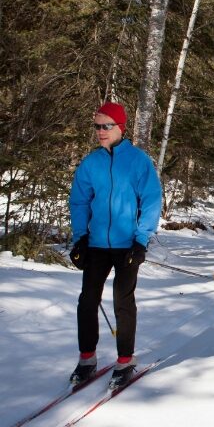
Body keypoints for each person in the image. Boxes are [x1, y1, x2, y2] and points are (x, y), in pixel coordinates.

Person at [68, 102, 162, 388]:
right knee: (87, 301)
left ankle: (125, 360)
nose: (100, 131)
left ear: (120, 127)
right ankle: (87, 358)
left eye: (106, 126)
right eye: (97, 126)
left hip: (127, 246)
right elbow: (80, 201)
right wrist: (80, 237)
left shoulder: (138, 161)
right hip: (96, 244)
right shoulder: (91, 163)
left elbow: (151, 201)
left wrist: (141, 239)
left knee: (122, 301)